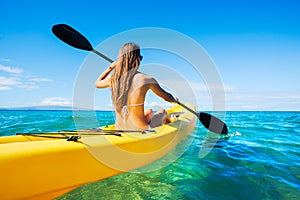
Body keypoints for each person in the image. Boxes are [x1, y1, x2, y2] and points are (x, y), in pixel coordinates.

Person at [95, 43, 177, 130]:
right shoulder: (146, 79)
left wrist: (110, 68)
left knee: (149, 111)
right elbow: (167, 98)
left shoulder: (113, 79)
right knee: (163, 112)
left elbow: (97, 83)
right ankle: (172, 123)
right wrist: (174, 100)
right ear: (137, 59)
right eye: (140, 57)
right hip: (141, 130)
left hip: (119, 129)